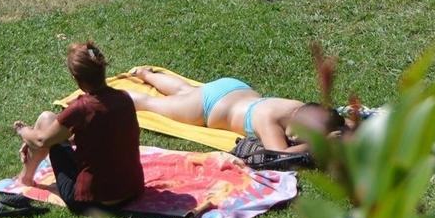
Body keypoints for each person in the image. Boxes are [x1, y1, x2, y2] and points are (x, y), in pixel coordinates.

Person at [7, 42, 144, 214]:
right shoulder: (124, 98)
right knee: (49, 123)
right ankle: (25, 177)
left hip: (93, 201)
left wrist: (22, 130)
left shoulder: (81, 108)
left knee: (47, 122)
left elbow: (41, 141)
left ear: (76, 79)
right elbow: (98, 133)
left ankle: (24, 179)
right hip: (131, 191)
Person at [123, 67, 346, 155]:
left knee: (185, 90)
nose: (295, 138)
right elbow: (279, 156)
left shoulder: (299, 107)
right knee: (150, 104)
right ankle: (111, 97)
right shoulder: (268, 120)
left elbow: (336, 119)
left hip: (234, 88)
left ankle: (145, 74)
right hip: (206, 108)